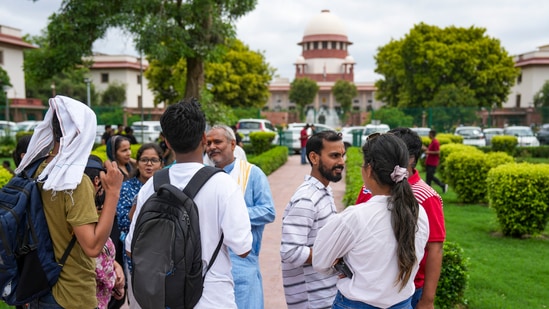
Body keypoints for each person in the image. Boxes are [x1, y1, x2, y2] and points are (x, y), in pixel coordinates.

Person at [125, 98, 253, 308]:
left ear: (166, 142)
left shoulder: (152, 185)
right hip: (212, 298)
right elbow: (243, 248)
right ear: (204, 138)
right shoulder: (224, 184)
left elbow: (132, 248)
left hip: (162, 299)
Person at [16, 95, 123, 308]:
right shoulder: (74, 182)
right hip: (72, 295)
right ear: (82, 133)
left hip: (38, 287)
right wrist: (112, 193)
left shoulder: (36, 170)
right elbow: (92, 247)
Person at [313, 133, 430, 309]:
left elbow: (320, 261)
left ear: (369, 169)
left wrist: (341, 267)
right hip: (402, 304)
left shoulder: (355, 217)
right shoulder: (418, 212)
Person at [205, 125, 276, 308]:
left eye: (218, 142)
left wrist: (233, 215)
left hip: (242, 262)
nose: (212, 146)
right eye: (208, 143)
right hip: (210, 265)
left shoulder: (252, 173)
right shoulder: (204, 176)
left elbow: (268, 211)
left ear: (233, 144)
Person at [280, 130, 345, 308]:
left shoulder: (323, 191)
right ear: (314, 158)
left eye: (342, 155)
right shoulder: (307, 199)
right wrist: (333, 255)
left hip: (325, 295)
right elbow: (290, 251)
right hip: (311, 301)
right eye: (334, 156)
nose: (341, 162)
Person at [388, 128, 446, 309]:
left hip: (411, 288)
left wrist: (428, 300)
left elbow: (435, 248)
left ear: (410, 159)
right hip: (370, 286)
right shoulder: (370, 188)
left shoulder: (426, 197)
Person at [116, 143, 164, 308]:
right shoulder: (126, 188)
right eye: (144, 160)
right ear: (138, 163)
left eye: (153, 160)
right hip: (134, 254)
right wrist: (140, 201)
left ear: (161, 164)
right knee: (138, 302)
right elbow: (122, 221)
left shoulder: (166, 188)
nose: (149, 164)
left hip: (163, 256)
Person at [84, 155, 126, 309]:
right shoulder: (85, 218)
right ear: (96, 181)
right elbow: (96, 255)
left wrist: (116, 265)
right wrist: (116, 281)